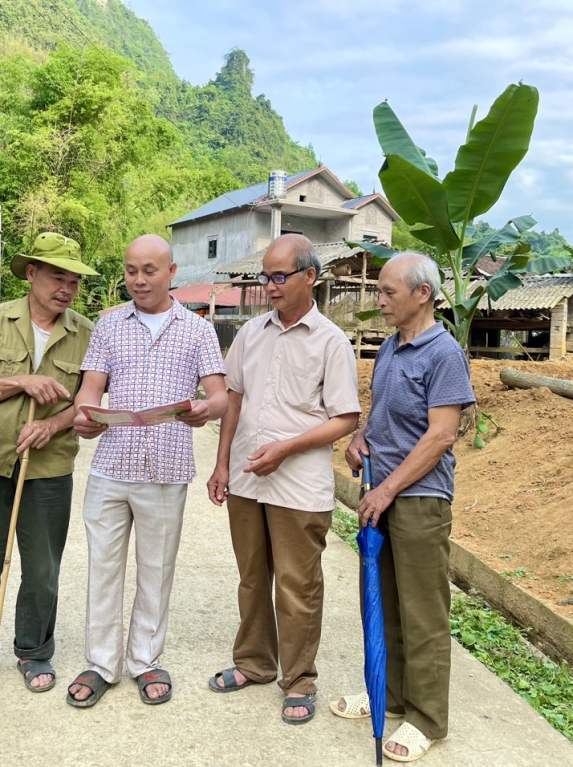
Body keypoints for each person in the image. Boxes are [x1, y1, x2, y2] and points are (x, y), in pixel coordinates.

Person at [65, 233, 227, 708]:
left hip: (166, 469)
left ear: (172, 272)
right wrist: (85, 416)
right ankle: (100, 663)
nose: (138, 280)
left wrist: (205, 409)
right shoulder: (109, 327)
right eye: (131, 270)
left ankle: (146, 660)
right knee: (104, 567)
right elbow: (90, 389)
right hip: (111, 466)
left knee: (156, 571)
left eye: (149, 271)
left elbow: (218, 394)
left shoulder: (197, 331)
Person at [206, 233, 360, 725]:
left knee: (297, 585)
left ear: (309, 277)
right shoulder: (252, 334)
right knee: (253, 578)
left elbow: (345, 419)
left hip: (299, 486)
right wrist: (222, 462)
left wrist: (287, 448)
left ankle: (298, 680)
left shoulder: (331, 342)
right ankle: (253, 663)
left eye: (279, 277)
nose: (270, 286)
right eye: (265, 277)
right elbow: (233, 399)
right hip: (248, 482)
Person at [332, 252, 474, 762]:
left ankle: (428, 718)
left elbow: (441, 435)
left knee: (422, 612)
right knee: (385, 603)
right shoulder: (391, 348)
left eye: (390, 291)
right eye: (380, 291)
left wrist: (387, 488)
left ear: (423, 294)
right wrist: (360, 438)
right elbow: (382, 413)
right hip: (382, 492)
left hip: (417, 498)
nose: (380, 299)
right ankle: (387, 698)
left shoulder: (444, 353)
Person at [0, 232, 98, 696]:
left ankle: (34, 651)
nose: (67, 289)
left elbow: (87, 404)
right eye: (58, 277)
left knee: (41, 568)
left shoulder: (87, 332)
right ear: (31, 273)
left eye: (74, 282)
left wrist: (52, 427)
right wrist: (22, 381)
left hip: (50, 468)